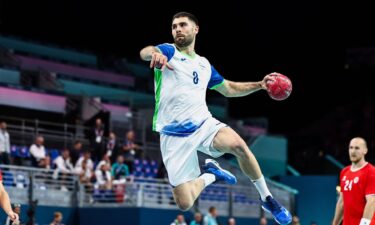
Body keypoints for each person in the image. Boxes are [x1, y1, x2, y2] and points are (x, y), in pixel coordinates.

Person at [139, 11, 291, 224]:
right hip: (173, 136)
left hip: (202, 124)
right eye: (174, 27)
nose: (178, 30)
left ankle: (267, 198)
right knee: (185, 202)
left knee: (239, 146)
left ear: (195, 29)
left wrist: (259, 85)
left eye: (183, 25)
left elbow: (228, 88)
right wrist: (154, 53)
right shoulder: (168, 51)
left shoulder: (203, 64)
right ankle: (212, 174)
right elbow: (146, 52)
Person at [332, 137, 375, 225]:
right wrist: (335, 223)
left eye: (357, 148)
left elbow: (371, 201)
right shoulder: (344, 172)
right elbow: (342, 202)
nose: (353, 151)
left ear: (365, 151)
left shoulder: (371, 171)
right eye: (351, 148)